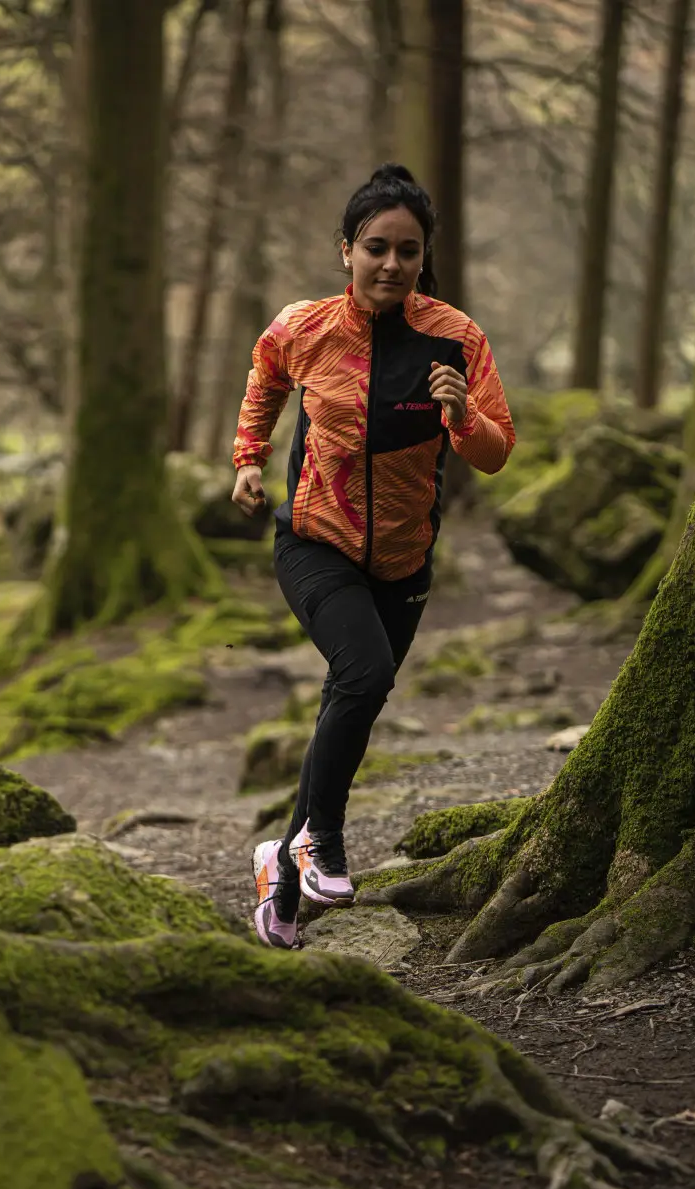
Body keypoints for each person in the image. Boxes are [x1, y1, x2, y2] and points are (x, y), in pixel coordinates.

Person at [230, 163, 515, 950]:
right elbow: (265, 382)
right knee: (363, 675)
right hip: (314, 540)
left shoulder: (457, 339)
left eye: (408, 251)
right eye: (376, 247)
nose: (392, 264)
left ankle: (282, 882)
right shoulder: (304, 327)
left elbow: (496, 452)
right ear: (346, 250)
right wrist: (248, 459)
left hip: (404, 561)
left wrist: (463, 419)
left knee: (347, 707)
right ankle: (323, 842)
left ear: (426, 258)